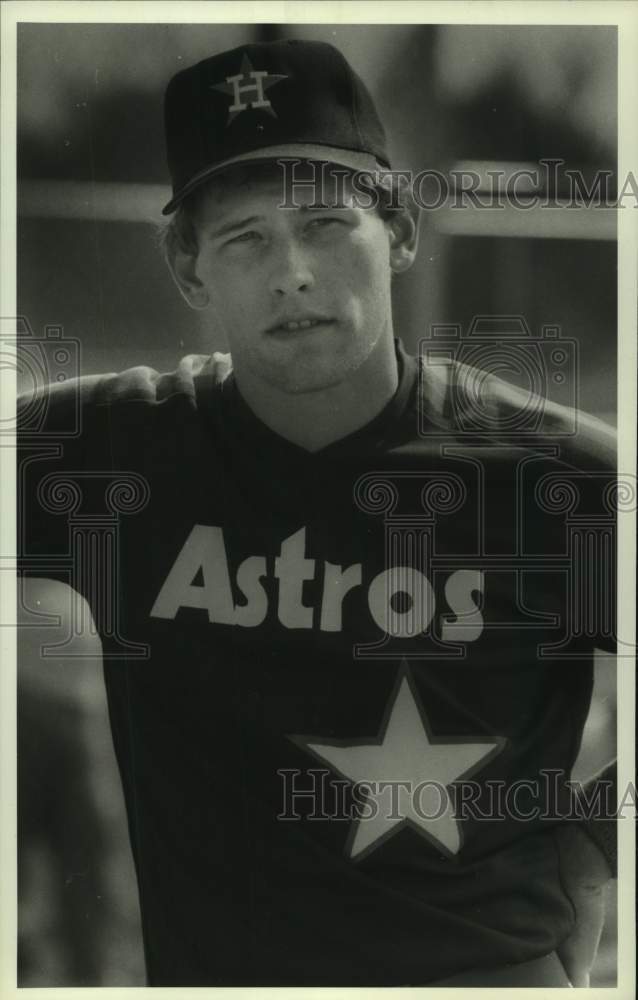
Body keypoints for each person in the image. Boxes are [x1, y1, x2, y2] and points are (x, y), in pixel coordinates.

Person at [17, 38, 617, 987]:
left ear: (402, 232)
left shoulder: (554, 473)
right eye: (244, 237)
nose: (291, 271)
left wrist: (599, 856)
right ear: (189, 270)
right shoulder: (110, 450)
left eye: (327, 223)